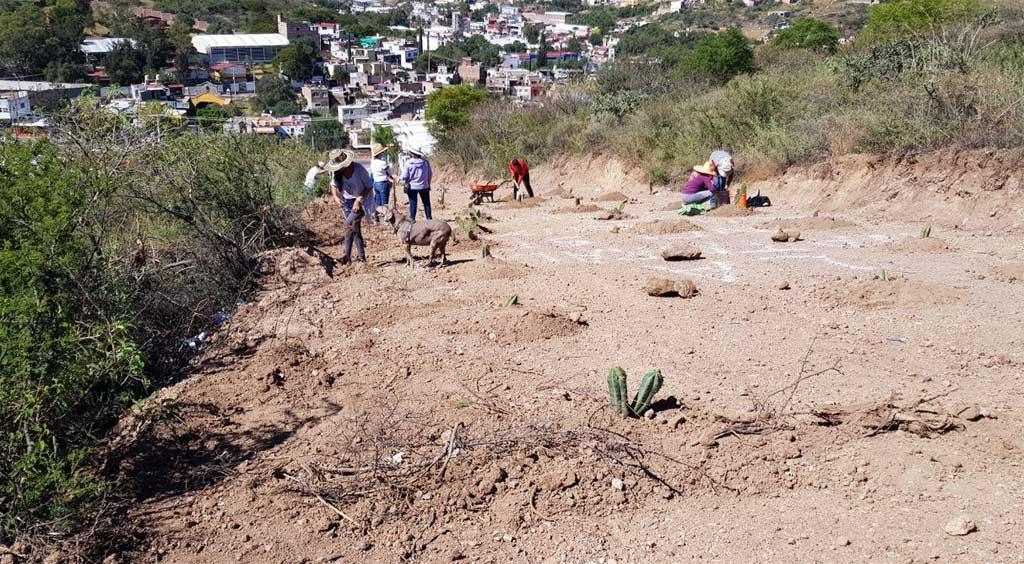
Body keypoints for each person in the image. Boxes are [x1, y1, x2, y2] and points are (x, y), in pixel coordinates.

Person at [325, 148, 373, 264]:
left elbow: (369, 186)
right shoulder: (337, 173)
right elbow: (333, 186)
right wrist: (336, 197)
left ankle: (348, 256)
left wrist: (358, 200)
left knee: (347, 225)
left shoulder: (358, 169)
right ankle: (359, 257)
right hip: (346, 203)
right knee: (355, 230)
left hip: (361, 203)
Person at [401, 146, 433, 220]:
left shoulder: (408, 163)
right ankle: (429, 218)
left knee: (413, 203)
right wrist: (428, 184)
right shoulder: (425, 162)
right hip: (424, 186)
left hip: (412, 186)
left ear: (412, 154)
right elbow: (430, 174)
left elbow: (404, 176)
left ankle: (412, 219)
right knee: (426, 203)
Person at [370, 145, 393, 220]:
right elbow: (390, 172)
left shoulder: (373, 162)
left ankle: (376, 217)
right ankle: (386, 218)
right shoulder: (382, 163)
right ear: (380, 154)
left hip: (376, 183)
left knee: (378, 201)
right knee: (385, 203)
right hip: (383, 183)